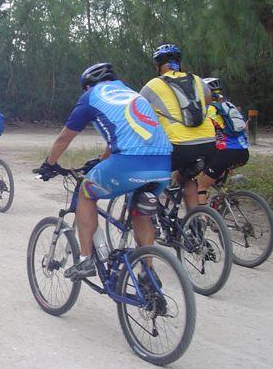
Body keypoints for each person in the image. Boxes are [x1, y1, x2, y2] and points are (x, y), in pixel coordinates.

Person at [36, 63, 172, 279]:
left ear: (87, 86)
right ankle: (148, 273)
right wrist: (100, 161)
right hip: (163, 164)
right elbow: (121, 136)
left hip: (130, 161)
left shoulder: (92, 96)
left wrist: (49, 164)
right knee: (140, 211)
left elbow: (65, 137)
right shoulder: (132, 94)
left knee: (85, 193)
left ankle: (86, 259)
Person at [139, 44, 216, 211]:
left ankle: (150, 222)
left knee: (145, 176)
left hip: (180, 146)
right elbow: (208, 102)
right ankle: (195, 226)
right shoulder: (198, 80)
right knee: (188, 179)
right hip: (210, 143)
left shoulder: (153, 85)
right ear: (179, 63)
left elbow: (137, 113)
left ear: (158, 65)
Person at [196, 77, 250, 204]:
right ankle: (223, 202)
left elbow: (201, 134)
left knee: (201, 185)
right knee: (217, 178)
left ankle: (202, 220)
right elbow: (244, 128)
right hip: (243, 153)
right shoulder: (230, 107)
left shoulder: (209, 110)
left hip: (226, 153)